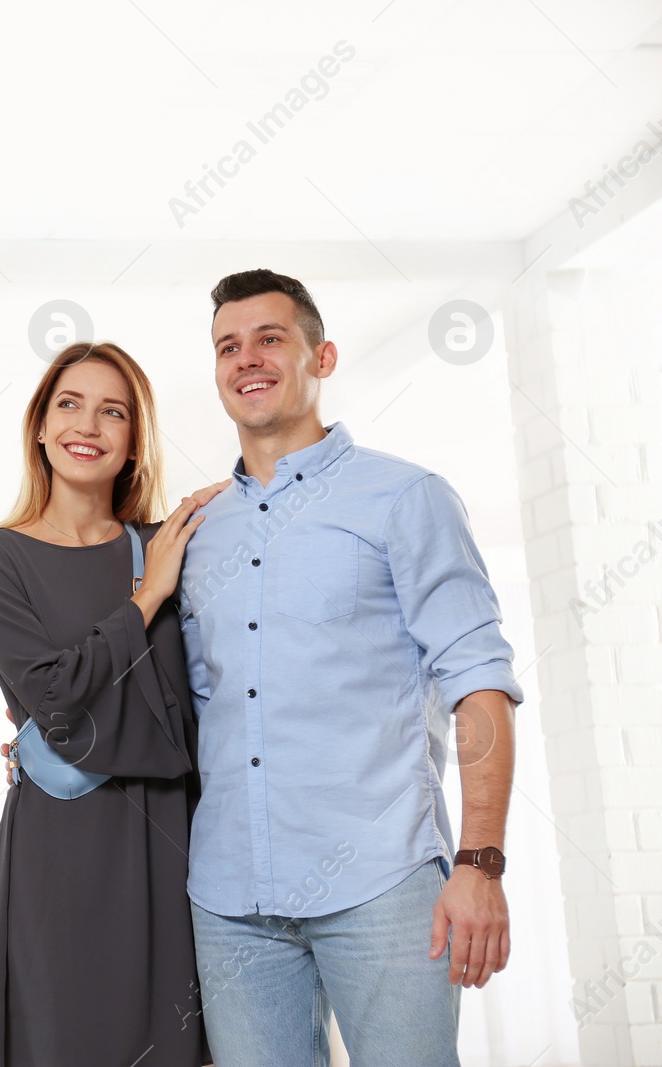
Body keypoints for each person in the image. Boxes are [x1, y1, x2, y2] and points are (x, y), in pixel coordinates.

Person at [178, 269, 521, 1066]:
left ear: (320, 356)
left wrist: (479, 862)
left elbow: (480, 682)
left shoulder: (405, 498)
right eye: (229, 345)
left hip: (384, 882)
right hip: (231, 898)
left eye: (270, 338)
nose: (247, 358)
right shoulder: (197, 531)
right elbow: (190, 703)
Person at [0, 341, 218, 1067]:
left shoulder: (168, 542)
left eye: (114, 411)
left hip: (173, 835)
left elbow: (207, 698)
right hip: (62, 847)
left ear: (134, 440)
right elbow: (53, 695)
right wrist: (147, 596)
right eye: (69, 403)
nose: (89, 425)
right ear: (39, 425)